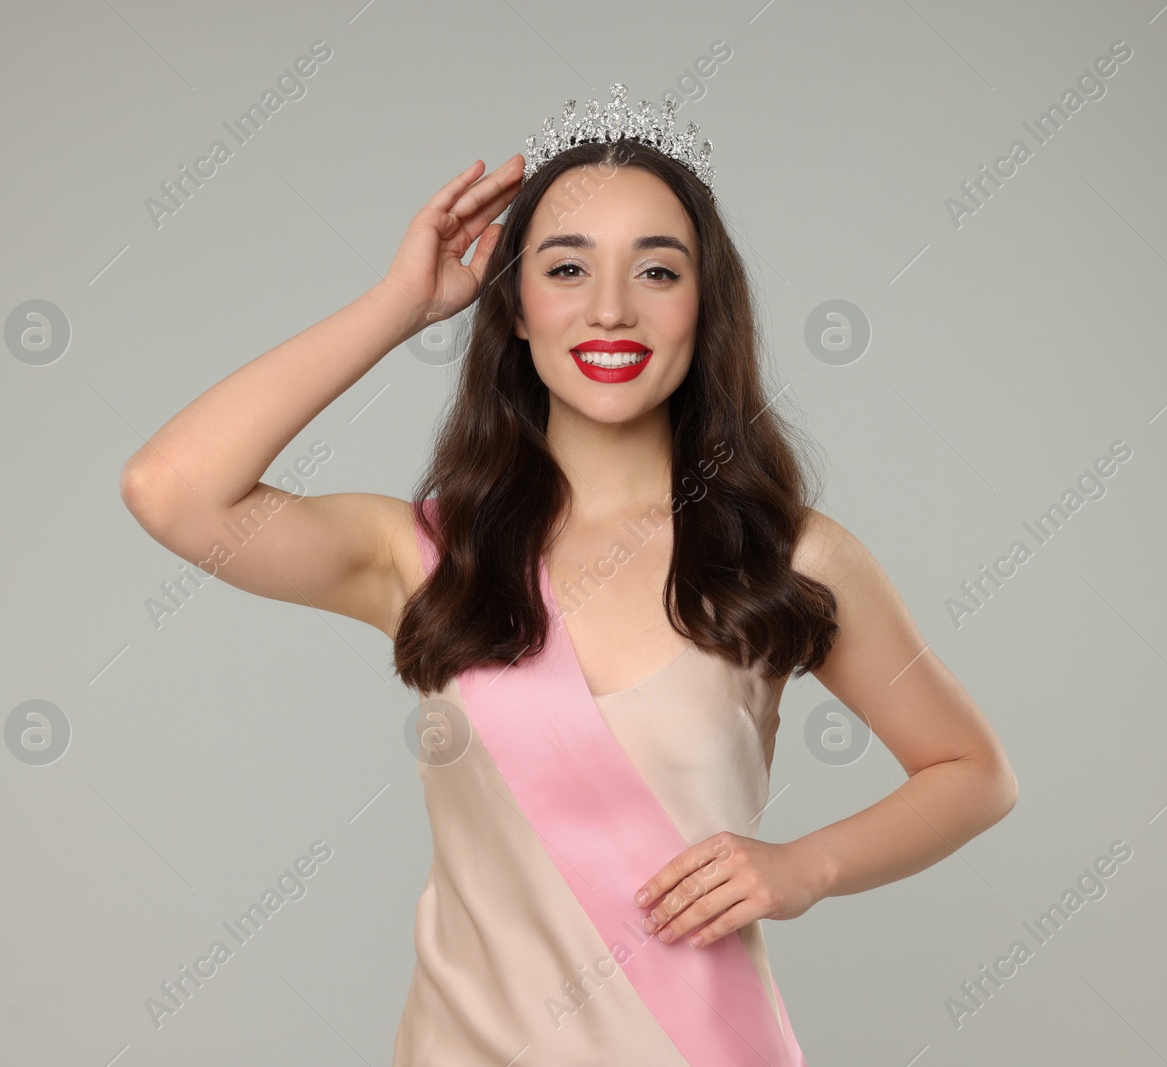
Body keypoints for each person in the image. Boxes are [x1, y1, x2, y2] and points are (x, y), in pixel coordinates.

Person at [119, 86, 1017, 1065]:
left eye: (658, 270)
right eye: (566, 267)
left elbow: (973, 773)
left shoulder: (787, 554)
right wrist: (398, 308)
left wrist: (807, 864)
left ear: (705, 304)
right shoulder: (419, 556)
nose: (610, 307)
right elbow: (172, 490)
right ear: (511, 303)